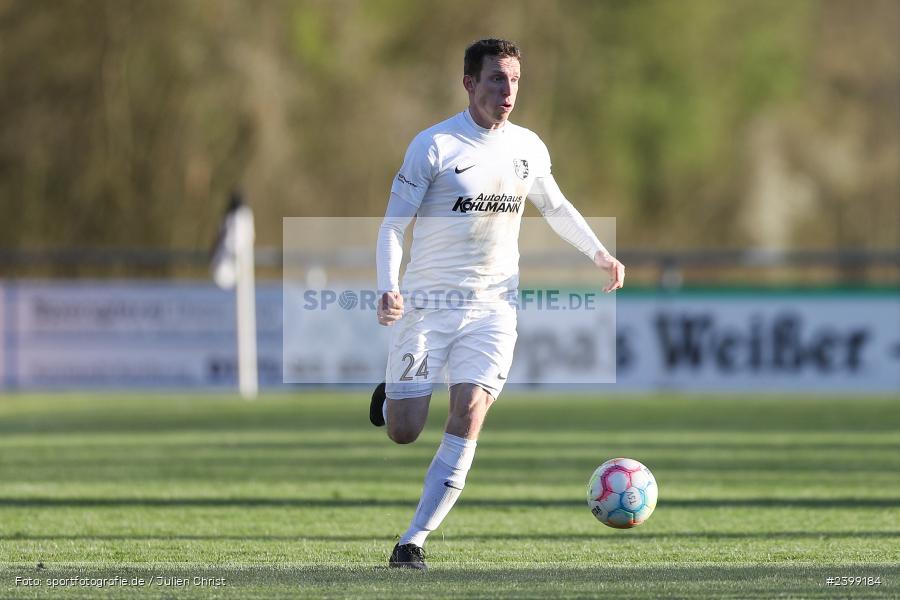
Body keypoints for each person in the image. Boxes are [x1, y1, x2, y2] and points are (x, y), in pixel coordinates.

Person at [371, 38, 624, 570]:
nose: (507, 91)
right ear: (469, 83)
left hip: (494, 308)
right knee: (404, 430)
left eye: (513, 80)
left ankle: (413, 540)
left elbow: (555, 207)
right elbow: (394, 227)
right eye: (495, 79)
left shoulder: (528, 147)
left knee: (470, 412)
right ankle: (393, 390)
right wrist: (387, 286)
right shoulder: (434, 145)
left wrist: (600, 252)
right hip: (428, 305)